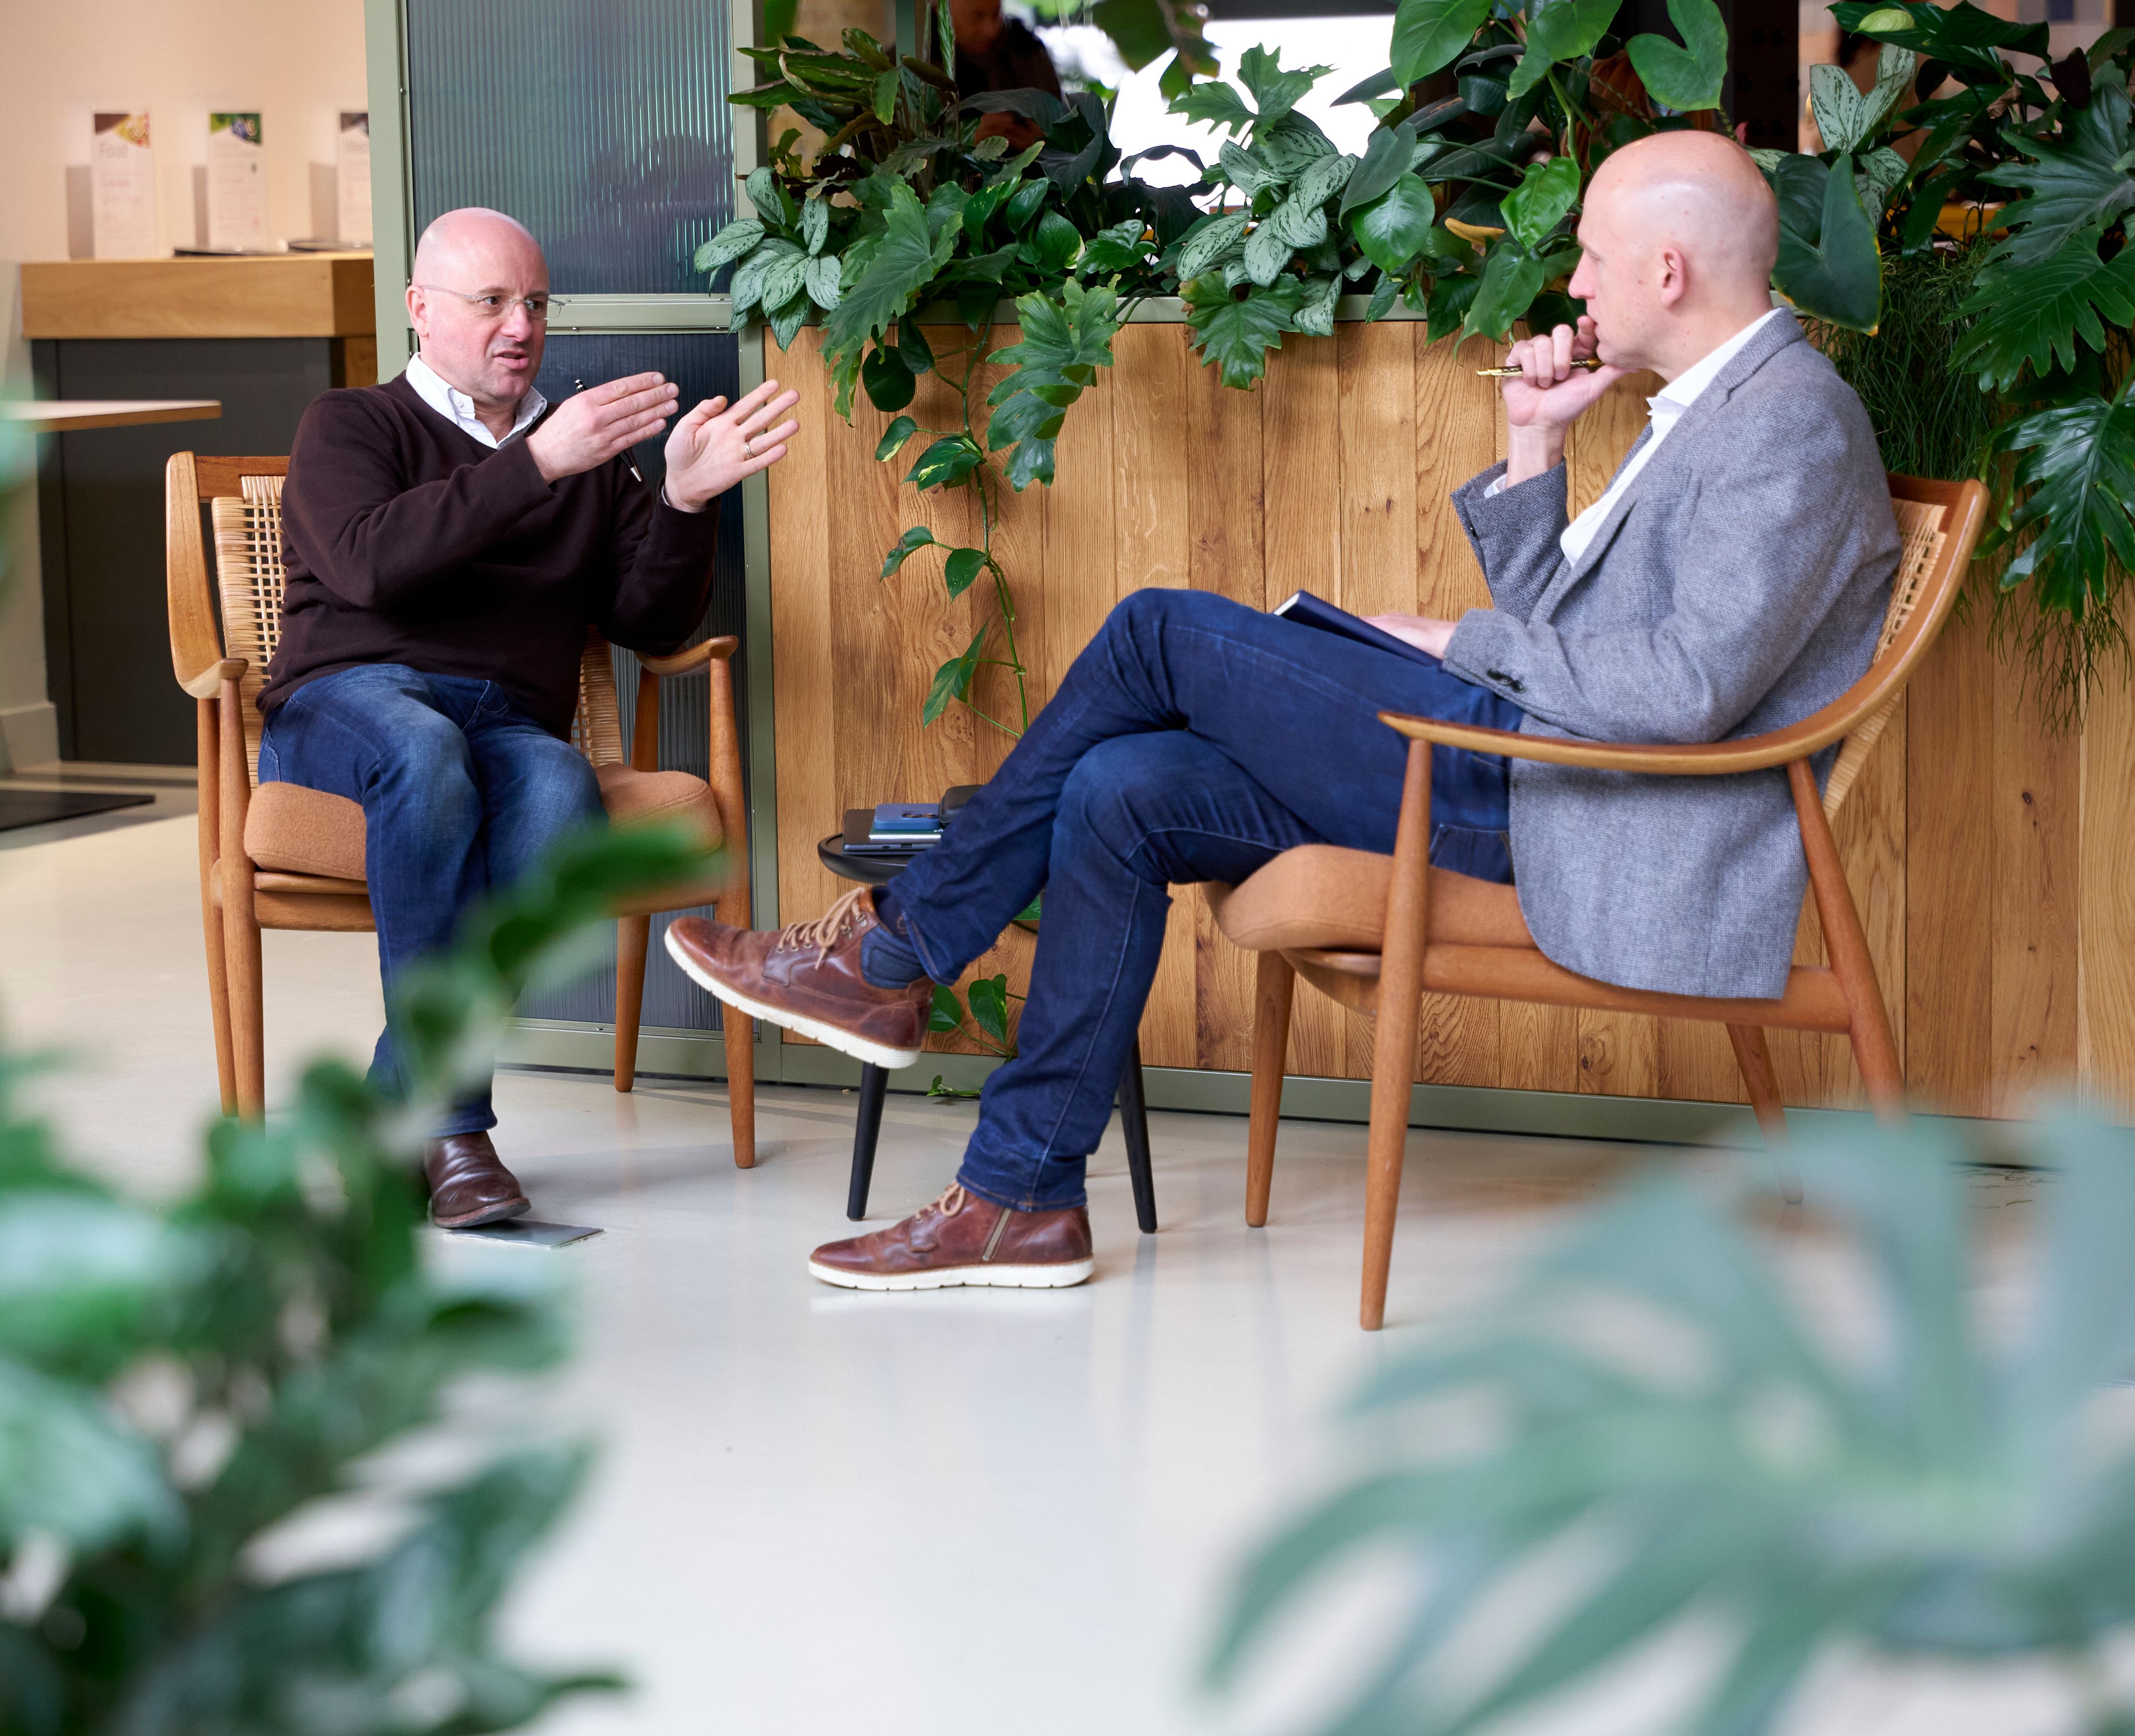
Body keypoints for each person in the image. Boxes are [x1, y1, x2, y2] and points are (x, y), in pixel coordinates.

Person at [665, 131, 1899, 1290]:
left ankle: (893, 952)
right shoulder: (1710, 410)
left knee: (1156, 628)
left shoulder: (1786, 425)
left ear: (1668, 270)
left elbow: (1688, 693)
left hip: (1589, 819)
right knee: (1120, 788)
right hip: (1544, 773)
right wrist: (1531, 450)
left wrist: (1456, 638)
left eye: (1588, 253)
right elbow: (1589, 645)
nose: (1572, 277)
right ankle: (1020, 1195)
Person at [260, 207, 799, 1229]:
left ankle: (395, 1105)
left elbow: (647, 621)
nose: (522, 325)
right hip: (348, 699)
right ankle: (457, 1130)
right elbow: (374, 562)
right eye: (493, 301)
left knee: (557, 792)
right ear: (421, 311)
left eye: (537, 304)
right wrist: (537, 465)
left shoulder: (585, 458)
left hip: (502, 721)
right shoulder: (354, 425)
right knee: (423, 751)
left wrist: (682, 504)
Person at [948, 0, 1064, 148]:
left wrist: (1038, 144)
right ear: (942, 7)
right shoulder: (924, 58)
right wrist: (967, 138)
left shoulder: (1026, 49)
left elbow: (1063, 135)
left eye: (996, 14)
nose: (991, 30)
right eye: (977, 16)